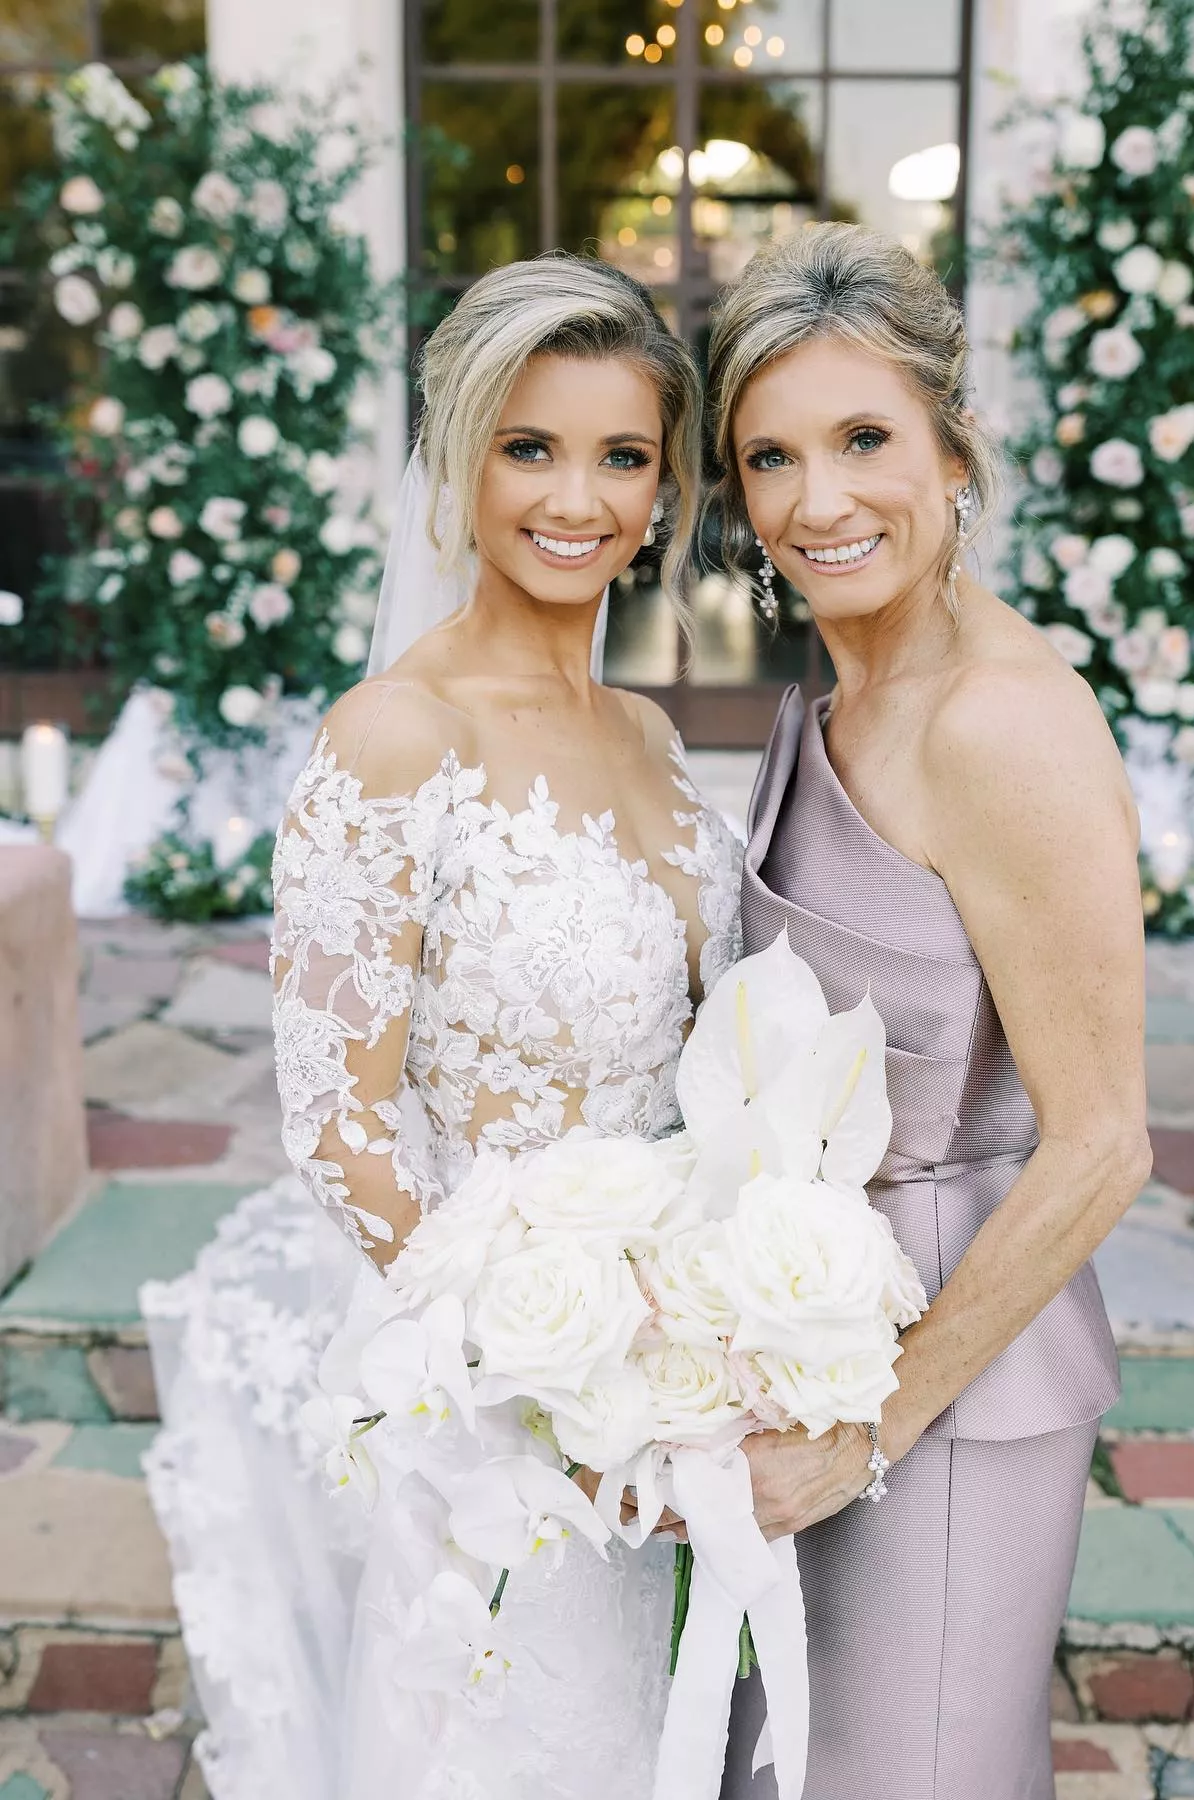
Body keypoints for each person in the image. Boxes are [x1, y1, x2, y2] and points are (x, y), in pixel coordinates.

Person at [142, 253, 742, 1800]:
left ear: (665, 482)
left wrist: (693, 1349)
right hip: (495, 1410)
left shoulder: (655, 735)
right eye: (528, 446)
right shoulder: (398, 735)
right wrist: (549, 1377)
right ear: (459, 458)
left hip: (667, 1401)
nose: (577, 498)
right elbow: (339, 1125)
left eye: (622, 455)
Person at [708, 223, 1151, 1800]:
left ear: (955, 452)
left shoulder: (1003, 723)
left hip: (949, 1389)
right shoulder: (841, 700)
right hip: (814, 1347)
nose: (820, 500)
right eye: (773, 457)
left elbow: (1104, 1145)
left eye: (865, 438)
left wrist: (869, 1426)